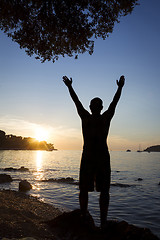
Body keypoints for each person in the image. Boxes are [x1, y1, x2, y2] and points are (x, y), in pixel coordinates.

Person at [63, 75, 125, 228]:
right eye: (94, 105)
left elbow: (78, 102)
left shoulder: (91, 117)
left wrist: (70, 87)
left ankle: (96, 220)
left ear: (94, 107)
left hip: (96, 156)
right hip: (94, 156)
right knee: (89, 190)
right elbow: (113, 103)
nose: (95, 107)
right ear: (93, 107)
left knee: (98, 191)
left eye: (96, 105)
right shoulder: (96, 117)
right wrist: (119, 87)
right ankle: (91, 218)